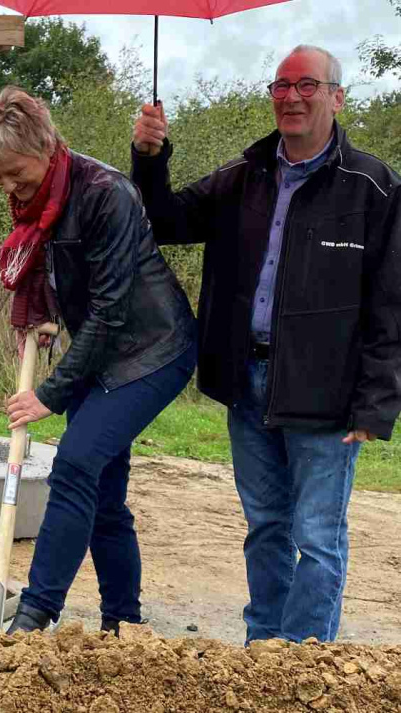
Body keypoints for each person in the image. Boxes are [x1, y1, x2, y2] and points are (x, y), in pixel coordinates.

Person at [130, 45, 401, 644]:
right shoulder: (241, 177)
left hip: (326, 395)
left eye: (307, 85)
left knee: (317, 538)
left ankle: (304, 666)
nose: (292, 97)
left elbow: (390, 306)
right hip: (247, 384)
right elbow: (168, 220)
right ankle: (262, 657)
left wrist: (377, 402)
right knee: (265, 528)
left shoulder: (374, 188)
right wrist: (149, 158)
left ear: (336, 97)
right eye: (281, 85)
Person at [0, 87, 198, 637]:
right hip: (103, 350)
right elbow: (56, 268)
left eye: (13, 173)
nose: (7, 187)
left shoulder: (107, 194)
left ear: (46, 147)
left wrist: (50, 394)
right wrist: (46, 310)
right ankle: (122, 621)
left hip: (153, 349)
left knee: (75, 463)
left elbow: (113, 308)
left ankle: (35, 612)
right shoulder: (39, 199)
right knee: (103, 494)